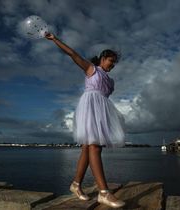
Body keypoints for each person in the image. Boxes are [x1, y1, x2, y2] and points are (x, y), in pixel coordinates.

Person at [45, 32, 126, 208]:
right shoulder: (92, 69)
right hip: (89, 108)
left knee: (87, 149)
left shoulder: (111, 82)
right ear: (103, 58)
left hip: (101, 110)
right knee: (94, 147)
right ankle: (103, 192)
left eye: (114, 63)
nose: (112, 65)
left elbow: (104, 97)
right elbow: (73, 54)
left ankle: (75, 184)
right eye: (111, 61)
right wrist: (54, 39)